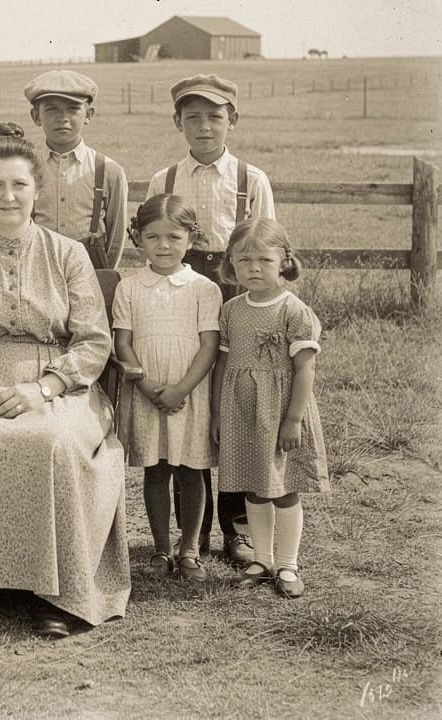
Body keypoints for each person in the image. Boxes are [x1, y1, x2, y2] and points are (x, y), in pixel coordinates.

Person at [0, 136, 131, 638]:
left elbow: (95, 341)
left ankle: (57, 591)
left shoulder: (68, 254)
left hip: (59, 386)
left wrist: (46, 388)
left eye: (19, 184)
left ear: (37, 190)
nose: (8, 196)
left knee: (52, 441)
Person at [146, 73, 275, 565]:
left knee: (237, 404)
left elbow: (264, 248)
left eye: (215, 116)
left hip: (237, 285)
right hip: (182, 289)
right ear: (178, 121)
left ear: (232, 120)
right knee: (192, 403)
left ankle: (236, 528)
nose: (204, 127)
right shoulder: (166, 180)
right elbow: (158, 242)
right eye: (193, 116)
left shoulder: (251, 180)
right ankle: (189, 535)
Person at [213, 219, 329, 599]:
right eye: (244, 260)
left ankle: (288, 564)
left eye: (264, 259)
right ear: (231, 262)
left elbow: (304, 368)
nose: (254, 268)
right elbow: (222, 365)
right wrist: (217, 413)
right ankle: (261, 559)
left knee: (283, 489)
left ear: (284, 261)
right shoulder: (231, 310)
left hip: (280, 412)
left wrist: (293, 419)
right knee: (254, 487)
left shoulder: (294, 311)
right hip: (242, 411)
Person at [112, 195, 221, 582]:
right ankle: (160, 549)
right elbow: (122, 342)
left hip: (190, 392)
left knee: (192, 471)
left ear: (190, 239)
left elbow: (208, 345)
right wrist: (146, 384)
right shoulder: (129, 287)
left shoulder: (204, 288)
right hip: (148, 391)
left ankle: (189, 549)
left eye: (173, 237)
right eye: (153, 236)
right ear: (138, 238)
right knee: (156, 471)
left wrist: (181, 389)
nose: (163, 245)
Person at [24, 69, 128, 269]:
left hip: (90, 268)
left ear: (88, 115)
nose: (62, 118)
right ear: (36, 116)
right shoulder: (26, 168)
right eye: (51, 109)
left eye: (72, 109)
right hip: (37, 265)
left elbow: (115, 237)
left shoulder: (108, 171)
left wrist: (104, 275)